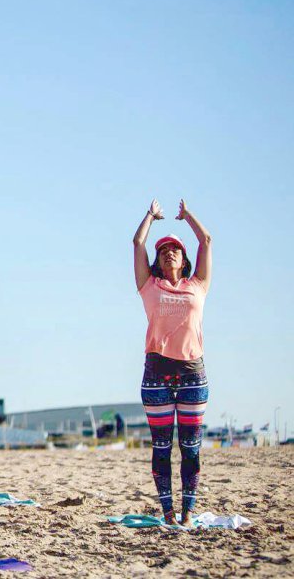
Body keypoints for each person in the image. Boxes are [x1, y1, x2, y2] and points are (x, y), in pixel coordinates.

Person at [133, 198, 212, 525]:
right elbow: (137, 243)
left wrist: (187, 216)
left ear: (184, 260)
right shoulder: (149, 286)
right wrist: (150, 216)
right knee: (162, 447)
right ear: (158, 261)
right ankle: (168, 512)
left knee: (191, 448)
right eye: (163, 250)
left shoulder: (198, 286)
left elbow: (206, 241)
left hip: (193, 373)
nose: (169, 252)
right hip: (157, 374)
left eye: (175, 250)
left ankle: (188, 513)